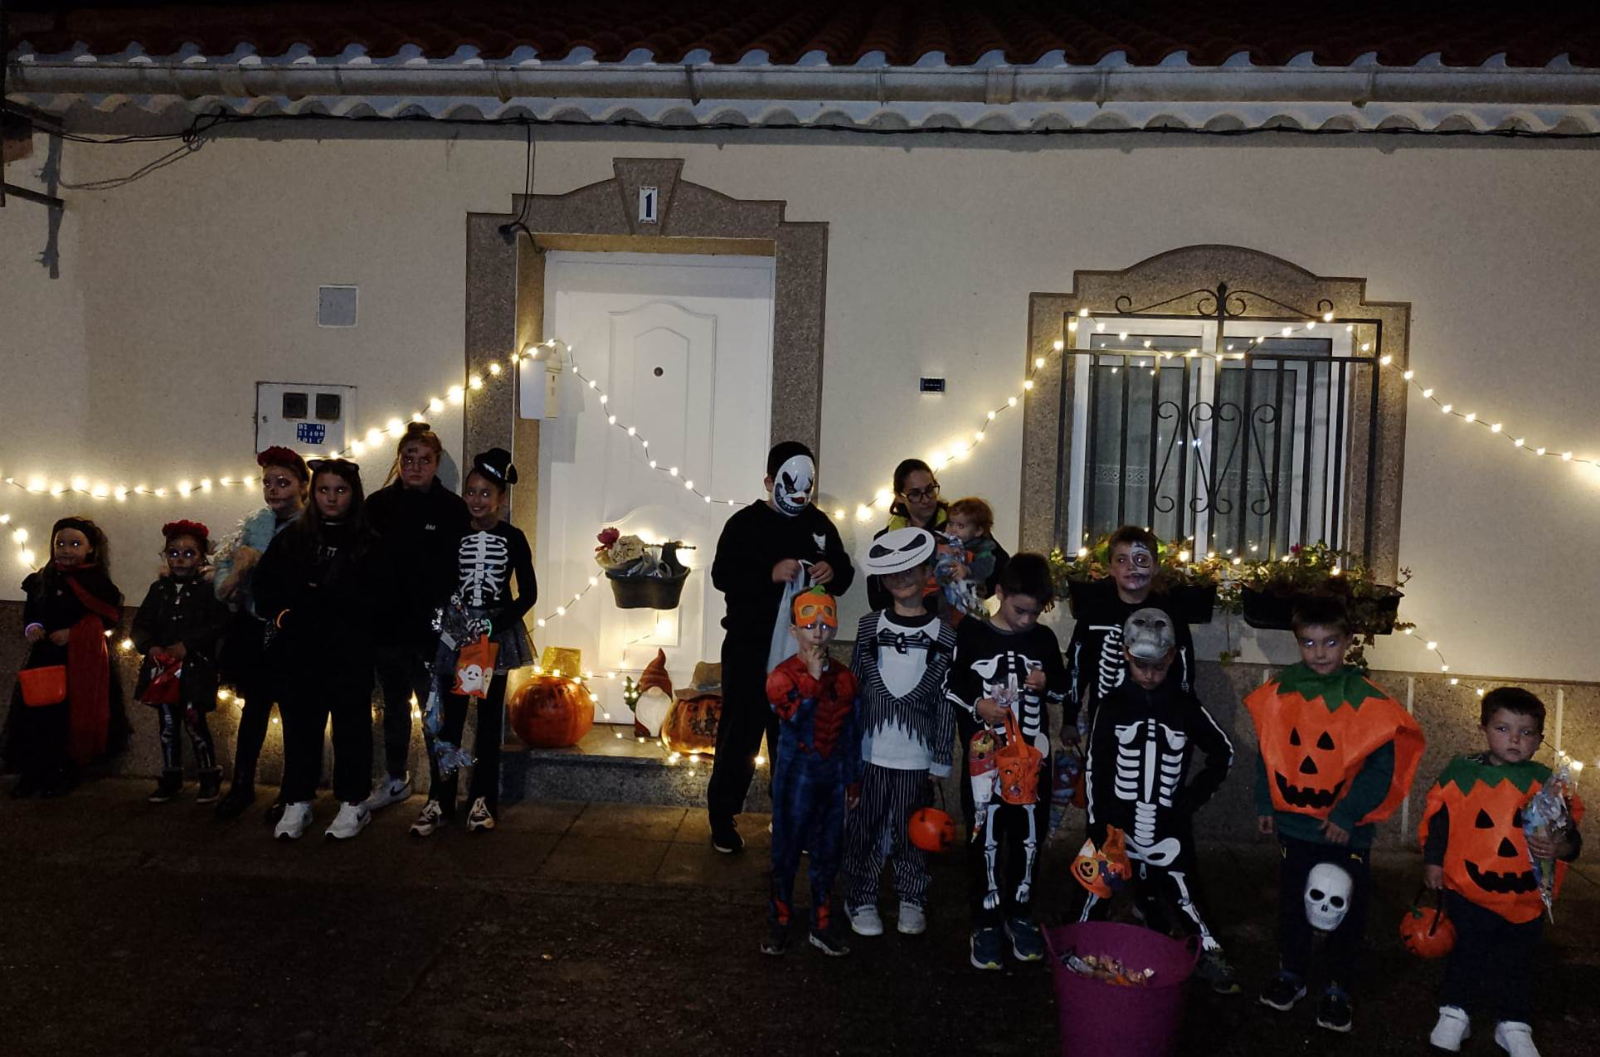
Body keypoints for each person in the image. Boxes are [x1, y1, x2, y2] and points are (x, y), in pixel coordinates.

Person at [1245, 595, 1424, 1033]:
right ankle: (1292, 972)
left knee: (1344, 909)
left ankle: (1338, 986)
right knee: (1293, 905)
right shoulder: (1282, 692)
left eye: (1329, 642)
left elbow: (1379, 769)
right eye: (1309, 643)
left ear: (1347, 641)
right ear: (1297, 642)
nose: (1319, 652)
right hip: (1295, 826)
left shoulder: (1366, 701)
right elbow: (1270, 753)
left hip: (1347, 832)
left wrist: (1347, 815)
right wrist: (1264, 801)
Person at [706, 440, 855, 854]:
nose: (800, 494)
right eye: (789, 484)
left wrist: (834, 569)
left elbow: (843, 571)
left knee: (793, 739)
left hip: (802, 656)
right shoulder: (744, 523)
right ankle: (722, 818)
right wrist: (768, 573)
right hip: (749, 649)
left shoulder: (820, 524)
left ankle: (792, 819)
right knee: (739, 736)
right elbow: (722, 574)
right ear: (770, 481)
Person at [1077, 608, 1237, 992]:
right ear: (1127, 656)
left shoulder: (1184, 705)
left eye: (1158, 666)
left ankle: (1212, 955)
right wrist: (1099, 827)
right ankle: (1078, 951)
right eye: (1141, 665)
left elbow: (1223, 753)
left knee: (1188, 895)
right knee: (1092, 891)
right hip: (1118, 823)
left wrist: (1190, 799)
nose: (1149, 675)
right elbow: (1096, 766)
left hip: (1169, 824)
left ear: (1172, 658)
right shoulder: (1111, 705)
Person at [1420, 688, 1584, 1057]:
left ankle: (1513, 1022)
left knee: (1519, 959)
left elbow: (1571, 835)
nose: (1514, 739)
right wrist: (1433, 861)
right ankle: (1455, 1012)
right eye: (1503, 728)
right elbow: (1441, 822)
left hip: (1524, 895)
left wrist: (1561, 848)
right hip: (1469, 889)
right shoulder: (1462, 774)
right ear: (1483, 729)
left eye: (1526, 732)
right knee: (1467, 952)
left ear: (1540, 740)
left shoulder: (1548, 784)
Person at [255, 459, 396, 841]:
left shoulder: (369, 543)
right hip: (300, 651)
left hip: (348, 652)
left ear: (353, 494)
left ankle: (352, 802)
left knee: (351, 728)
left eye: (340, 490)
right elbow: (265, 586)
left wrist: (360, 628)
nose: (331, 498)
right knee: (301, 725)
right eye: (323, 489)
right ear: (313, 492)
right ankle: (299, 799)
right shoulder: (293, 538)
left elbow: (383, 599)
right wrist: (284, 617)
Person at [946, 552, 1067, 970]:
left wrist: (1048, 682)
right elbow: (953, 684)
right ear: (999, 593)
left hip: (1032, 763)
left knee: (1028, 840)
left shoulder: (1044, 641)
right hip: (985, 764)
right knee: (984, 839)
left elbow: (1062, 691)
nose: (1026, 620)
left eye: (1036, 613)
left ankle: (1020, 912)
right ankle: (984, 921)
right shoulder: (974, 635)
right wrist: (979, 704)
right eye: (1019, 610)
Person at [409, 448, 536, 837]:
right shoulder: (454, 535)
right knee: (449, 722)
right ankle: (440, 798)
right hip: (458, 636)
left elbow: (528, 593)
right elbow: (439, 580)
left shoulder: (513, 538)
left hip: (491, 641)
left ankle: (482, 800)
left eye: (485, 493)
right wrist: (450, 620)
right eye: (471, 492)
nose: (477, 500)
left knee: (487, 725)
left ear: (501, 498)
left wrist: (497, 622)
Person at [843, 527, 958, 938]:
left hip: (917, 756)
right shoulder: (868, 626)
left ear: (927, 571)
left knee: (915, 831)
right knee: (866, 829)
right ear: (882, 579)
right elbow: (854, 690)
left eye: (911, 567)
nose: (903, 577)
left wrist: (942, 758)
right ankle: (861, 896)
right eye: (893, 570)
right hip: (871, 751)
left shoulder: (945, 635)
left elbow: (945, 701)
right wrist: (847, 752)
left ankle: (912, 896)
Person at [363, 422, 471, 814]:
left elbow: (458, 573)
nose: (415, 466)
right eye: (408, 458)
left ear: (436, 463)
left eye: (424, 459)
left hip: (432, 631)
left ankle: (441, 791)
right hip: (388, 627)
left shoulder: (451, 509)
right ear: (398, 460)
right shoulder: (377, 506)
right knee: (392, 706)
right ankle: (395, 778)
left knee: (434, 711)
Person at [211, 447, 309, 821]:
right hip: (254, 629)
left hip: (292, 632)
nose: (273, 490)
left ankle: (291, 790)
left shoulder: (311, 525)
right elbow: (227, 564)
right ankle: (241, 784)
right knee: (253, 709)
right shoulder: (255, 522)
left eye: (283, 482)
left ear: (302, 484)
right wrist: (233, 577)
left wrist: (258, 564)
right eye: (267, 482)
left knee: (294, 713)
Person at [761, 587, 860, 957]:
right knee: (785, 853)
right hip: (795, 779)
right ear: (794, 631)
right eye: (808, 624)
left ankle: (821, 923)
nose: (817, 631)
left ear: (833, 628)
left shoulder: (847, 679)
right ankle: (779, 921)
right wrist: (814, 679)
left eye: (824, 623)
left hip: (832, 779)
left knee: (828, 853)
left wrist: (853, 779)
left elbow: (851, 732)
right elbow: (795, 717)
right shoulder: (781, 677)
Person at [2, 517, 127, 797]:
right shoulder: (43, 579)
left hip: (78, 661)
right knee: (37, 715)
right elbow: (32, 611)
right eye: (60, 543)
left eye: (75, 544)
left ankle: (63, 772)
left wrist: (74, 633)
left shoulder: (96, 582)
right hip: (45, 658)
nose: (66, 550)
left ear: (90, 549)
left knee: (67, 717)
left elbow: (107, 617)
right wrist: (33, 627)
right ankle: (33, 771)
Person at [131, 520, 232, 805]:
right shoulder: (159, 589)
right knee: (166, 723)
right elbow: (141, 625)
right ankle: (171, 775)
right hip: (162, 670)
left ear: (202, 557)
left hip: (195, 668)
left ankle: (209, 774)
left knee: (193, 719)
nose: (180, 559)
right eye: (174, 552)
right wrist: (149, 647)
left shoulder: (207, 589)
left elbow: (219, 623)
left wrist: (188, 646)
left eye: (189, 553)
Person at [1065, 525, 1196, 740]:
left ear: (1156, 567)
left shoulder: (1170, 615)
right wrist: (1070, 718)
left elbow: (1184, 671)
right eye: (1121, 560)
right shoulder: (1094, 613)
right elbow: (1078, 669)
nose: (1131, 567)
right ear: (1110, 568)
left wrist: (1183, 717)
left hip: (1157, 723)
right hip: (1103, 723)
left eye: (1141, 560)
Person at [865, 459, 948, 613]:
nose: (926, 499)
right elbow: (878, 597)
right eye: (915, 494)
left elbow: (995, 569)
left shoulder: (960, 527)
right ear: (899, 496)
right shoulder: (885, 541)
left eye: (930, 489)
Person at [944, 496, 1010, 601]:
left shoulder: (982, 548)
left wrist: (968, 569)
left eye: (960, 526)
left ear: (978, 531)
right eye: (951, 524)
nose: (953, 530)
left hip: (973, 593)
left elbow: (985, 566)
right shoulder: (947, 542)